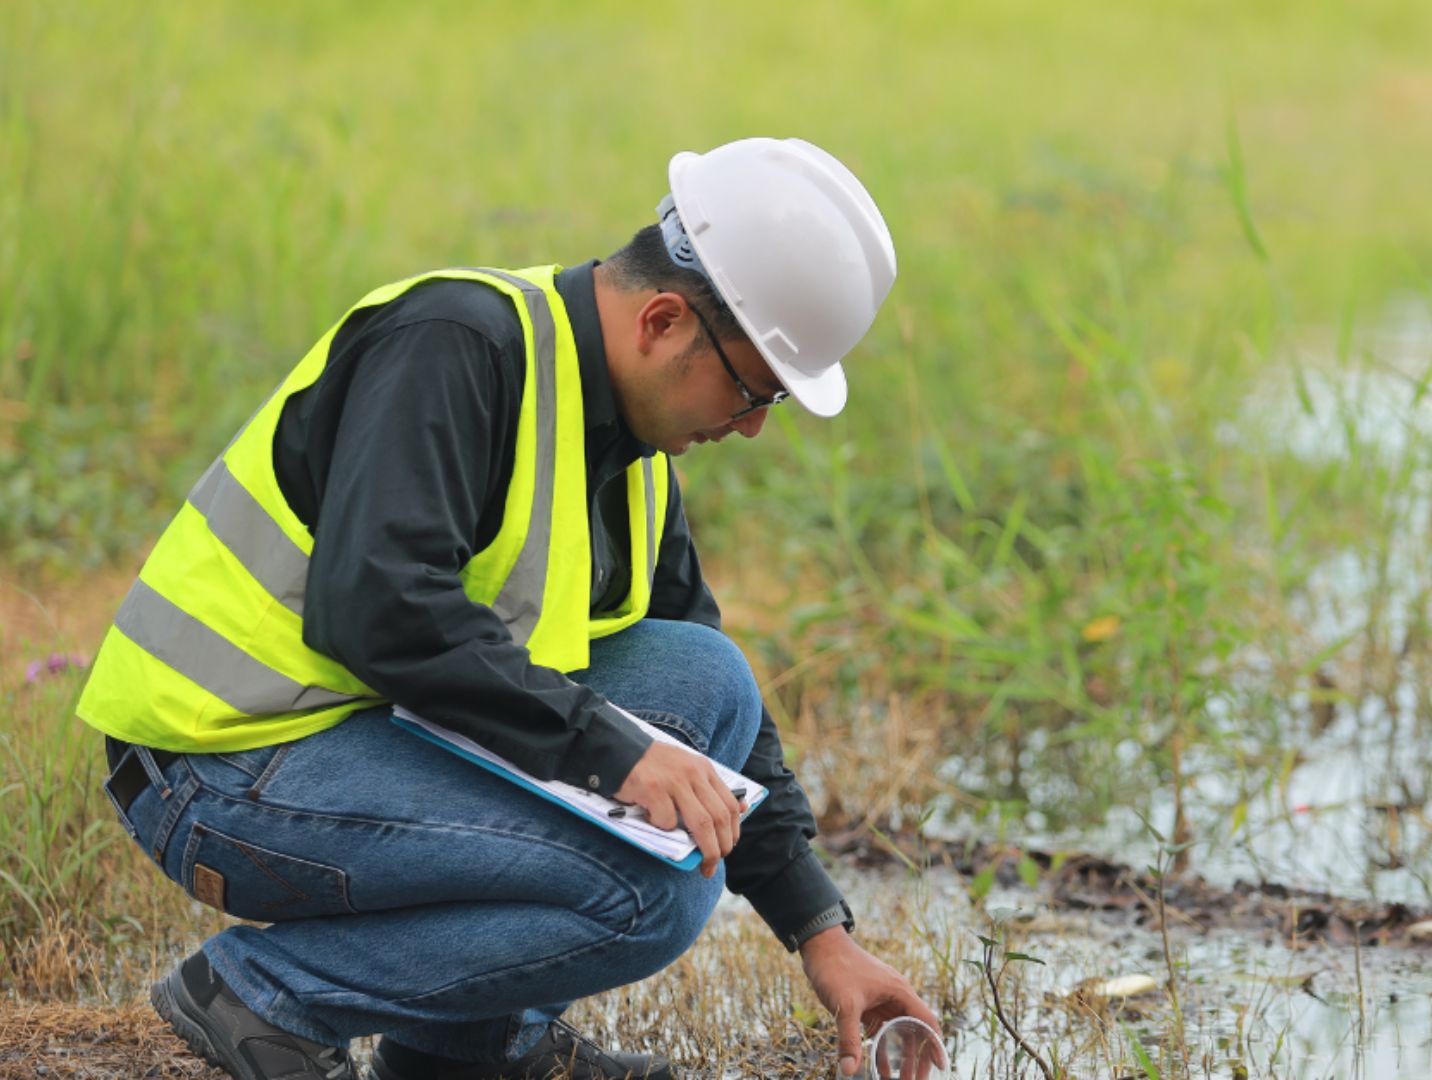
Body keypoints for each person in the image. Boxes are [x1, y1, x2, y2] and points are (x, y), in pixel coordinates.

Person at [75, 137, 936, 1080]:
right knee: (651, 894)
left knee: (709, 683)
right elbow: (379, 610)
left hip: (367, 737)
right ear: (660, 320)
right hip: (219, 771)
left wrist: (821, 931)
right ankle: (260, 994)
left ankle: (473, 1048)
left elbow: (716, 716)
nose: (754, 425)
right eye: (751, 388)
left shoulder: (635, 446)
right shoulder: (455, 346)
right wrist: (616, 751)